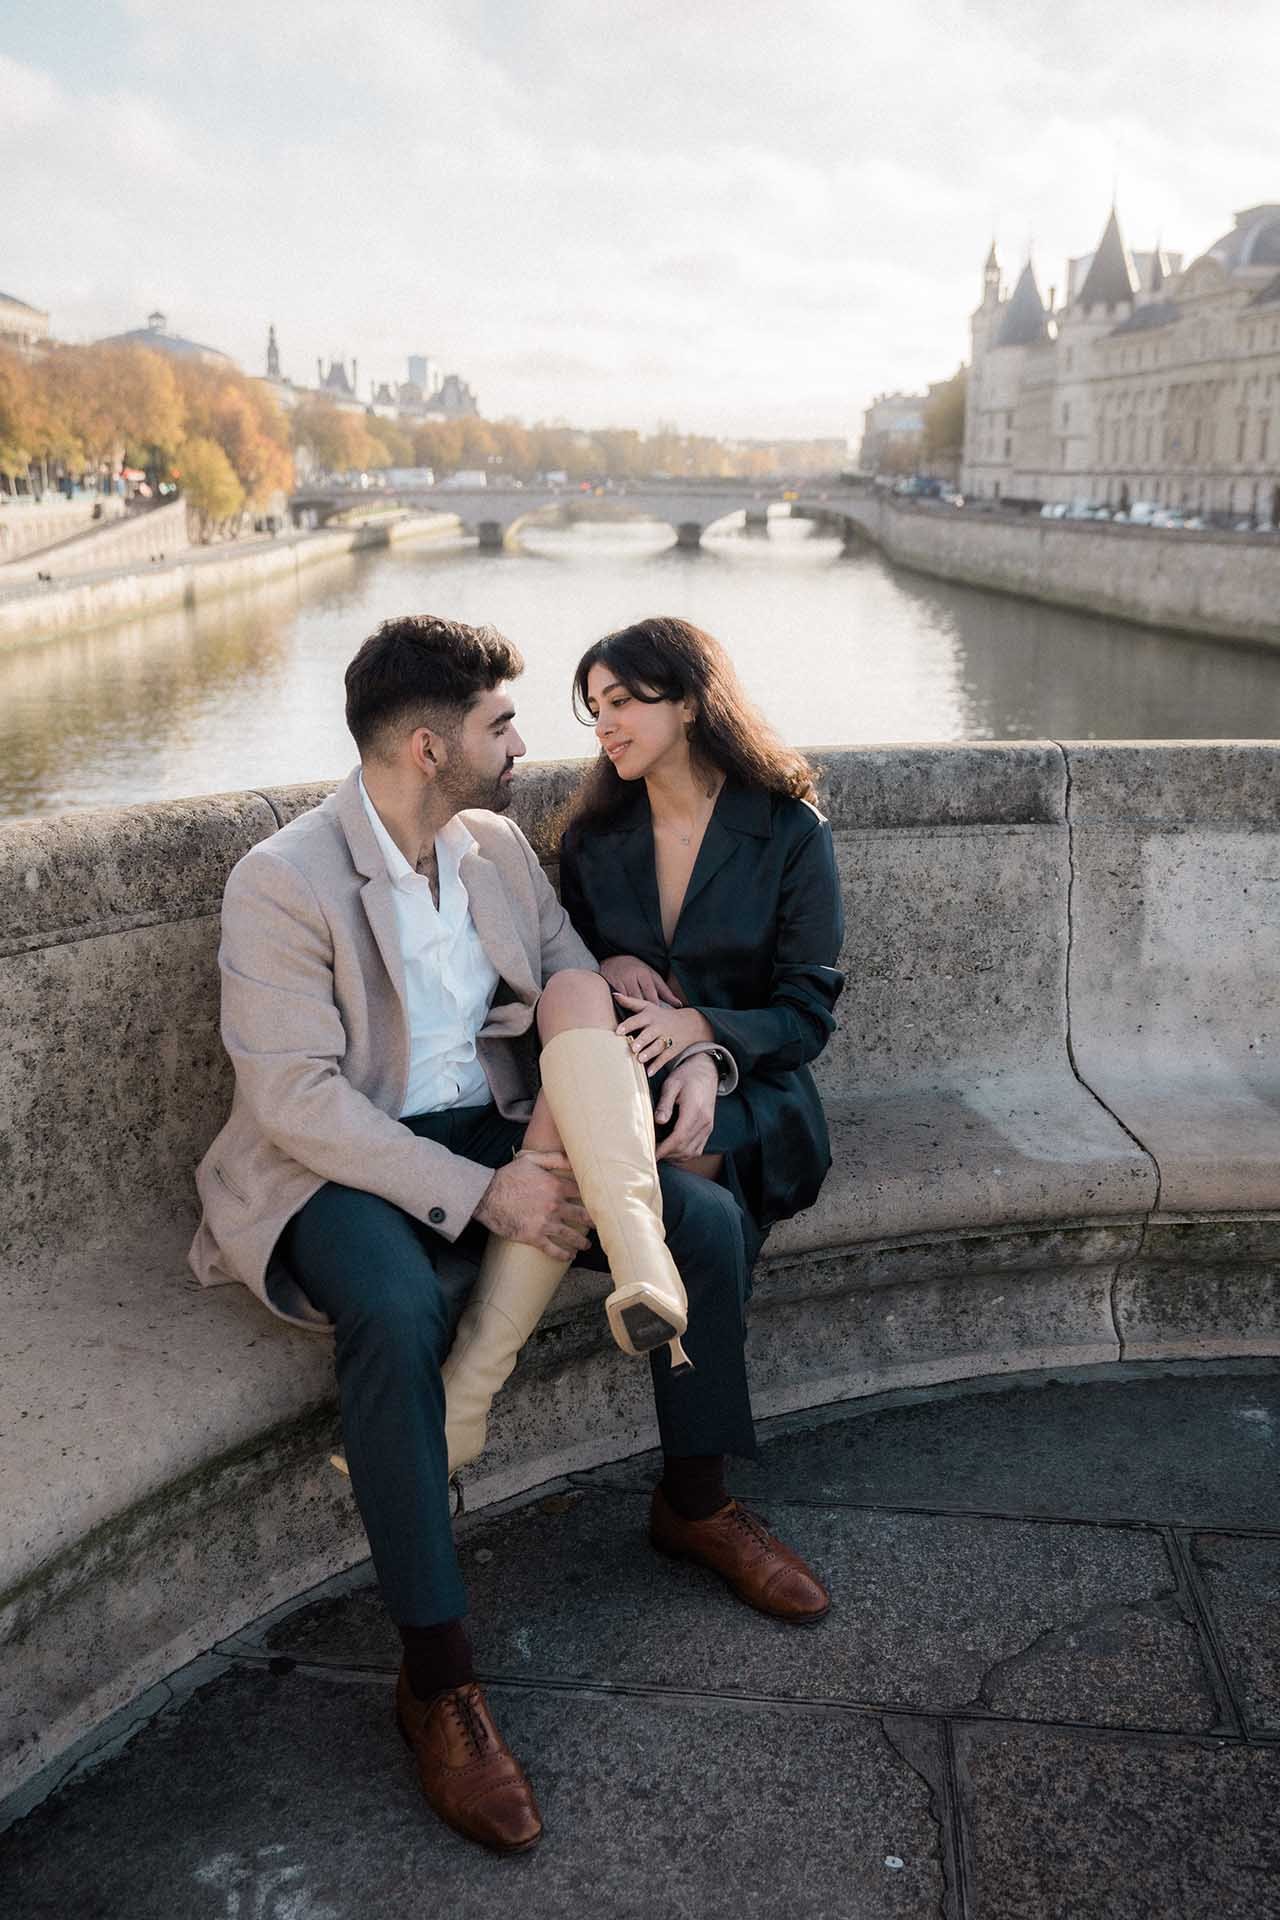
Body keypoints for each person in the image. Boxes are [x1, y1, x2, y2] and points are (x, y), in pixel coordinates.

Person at [189, 613, 828, 1859]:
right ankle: (436, 1679)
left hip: (487, 1122)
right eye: (500, 724)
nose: (528, 743)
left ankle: (695, 1503)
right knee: (396, 1311)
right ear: (429, 746)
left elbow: (561, 967)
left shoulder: (487, 846)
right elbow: (296, 1102)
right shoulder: (281, 880)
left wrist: (604, 1036)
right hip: (335, 1164)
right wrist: (486, 1196)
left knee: (697, 1215)